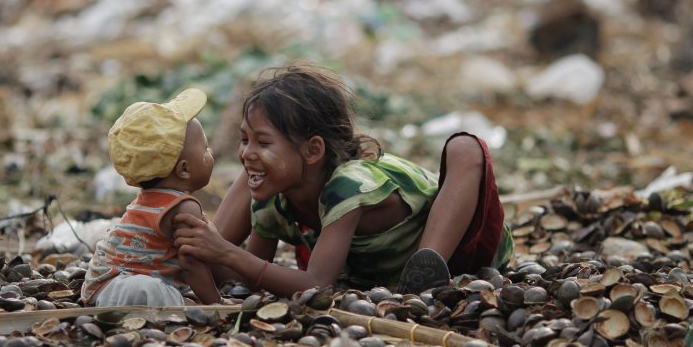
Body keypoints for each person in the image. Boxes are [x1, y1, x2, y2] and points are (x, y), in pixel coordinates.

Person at [174, 63, 513, 298]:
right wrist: (200, 250)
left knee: (465, 147)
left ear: (312, 151)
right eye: (244, 139)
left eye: (262, 141)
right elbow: (251, 279)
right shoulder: (272, 196)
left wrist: (224, 252)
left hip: (464, 246)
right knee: (254, 176)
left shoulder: (347, 185)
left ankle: (426, 265)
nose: (246, 151)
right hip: (368, 270)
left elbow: (316, 283)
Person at [81, 88, 221, 307]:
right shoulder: (184, 207)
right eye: (206, 148)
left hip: (98, 283)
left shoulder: (147, 198)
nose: (211, 153)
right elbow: (192, 263)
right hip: (127, 288)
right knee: (152, 291)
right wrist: (216, 303)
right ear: (184, 170)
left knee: (155, 289)